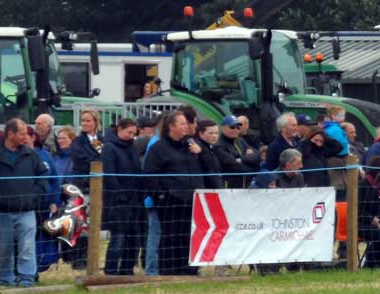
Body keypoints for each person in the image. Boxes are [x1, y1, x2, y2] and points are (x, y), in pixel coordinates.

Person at [0, 118, 52, 287]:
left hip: (27, 209)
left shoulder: (31, 155)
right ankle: (4, 277)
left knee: (27, 246)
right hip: (2, 210)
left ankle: (27, 276)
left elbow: (43, 175)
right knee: (4, 246)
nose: (26, 137)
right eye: (22, 133)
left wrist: (36, 195)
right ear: (10, 134)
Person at [141, 110, 204, 275]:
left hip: (192, 200)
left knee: (188, 236)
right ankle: (169, 270)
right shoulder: (158, 148)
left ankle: (189, 269)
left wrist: (201, 152)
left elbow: (209, 167)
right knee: (170, 237)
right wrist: (162, 196)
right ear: (171, 126)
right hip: (170, 201)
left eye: (186, 123)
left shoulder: (191, 145)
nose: (186, 127)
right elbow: (149, 175)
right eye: (182, 123)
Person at [99, 117, 143, 276]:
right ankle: (110, 271)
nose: (131, 135)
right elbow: (109, 174)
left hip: (134, 200)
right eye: (128, 132)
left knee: (133, 239)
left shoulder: (133, 147)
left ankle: (127, 269)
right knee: (118, 238)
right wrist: (120, 195)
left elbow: (138, 171)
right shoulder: (109, 148)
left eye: (134, 133)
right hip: (118, 201)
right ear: (119, 129)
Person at [215, 115, 261, 188]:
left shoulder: (240, 141)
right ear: (223, 128)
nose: (236, 130)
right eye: (232, 127)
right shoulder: (219, 145)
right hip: (229, 186)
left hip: (245, 184)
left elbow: (258, 156)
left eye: (238, 127)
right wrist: (254, 169)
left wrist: (242, 159)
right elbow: (234, 165)